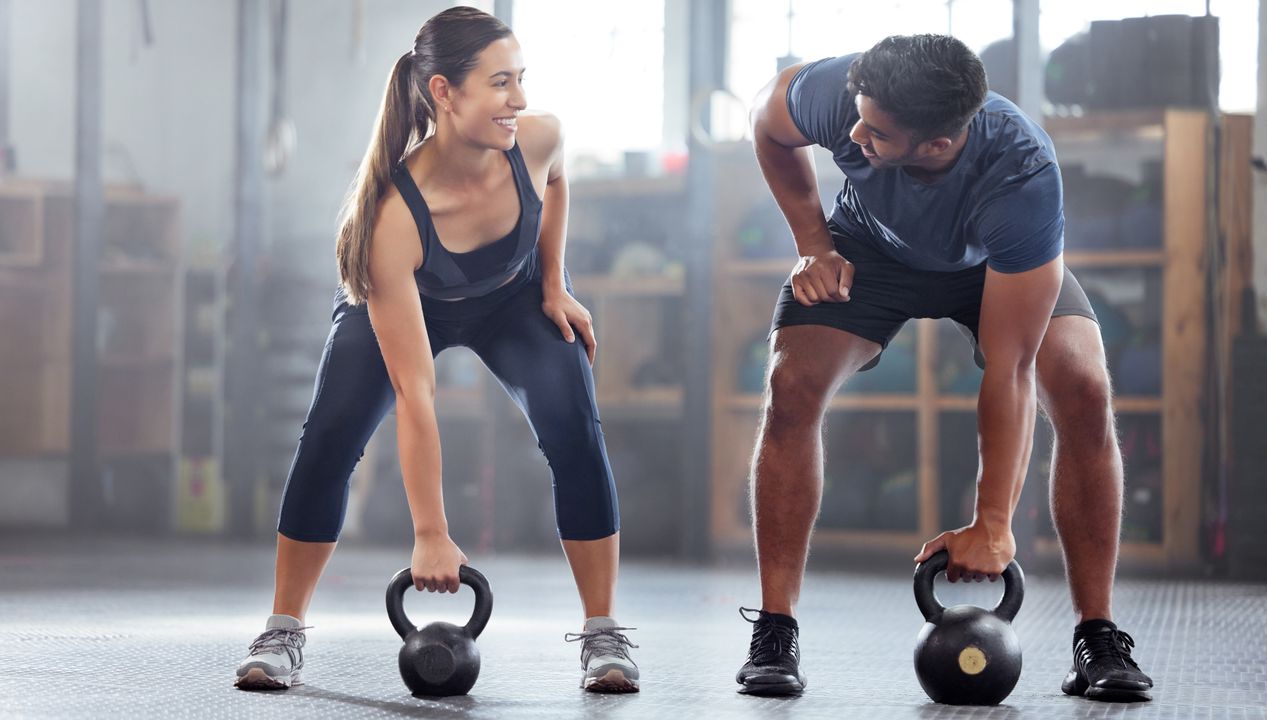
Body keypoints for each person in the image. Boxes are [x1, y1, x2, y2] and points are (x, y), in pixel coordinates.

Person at [233, 7, 638, 694]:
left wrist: (552, 282)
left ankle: (603, 633)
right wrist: (431, 532)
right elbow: (417, 394)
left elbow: (557, 183)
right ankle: (282, 628)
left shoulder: (538, 140)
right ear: (445, 93)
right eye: (501, 83)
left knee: (574, 425)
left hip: (511, 299)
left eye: (522, 79)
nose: (521, 99)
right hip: (406, 300)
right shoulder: (392, 216)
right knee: (329, 437)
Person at [736, 34, 1153, 702]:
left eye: (875, 133)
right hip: (867, 250)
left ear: (935, 144)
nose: (853, 135)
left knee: (1083, 387)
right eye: (857, 117)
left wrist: (992, 523)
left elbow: (1010, 367)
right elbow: (768, 121)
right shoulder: (846, 92)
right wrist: (813, 245)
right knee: (791, 384)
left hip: (992, 267)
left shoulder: (1021, 174)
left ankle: (1097, 634)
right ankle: (775, 632)